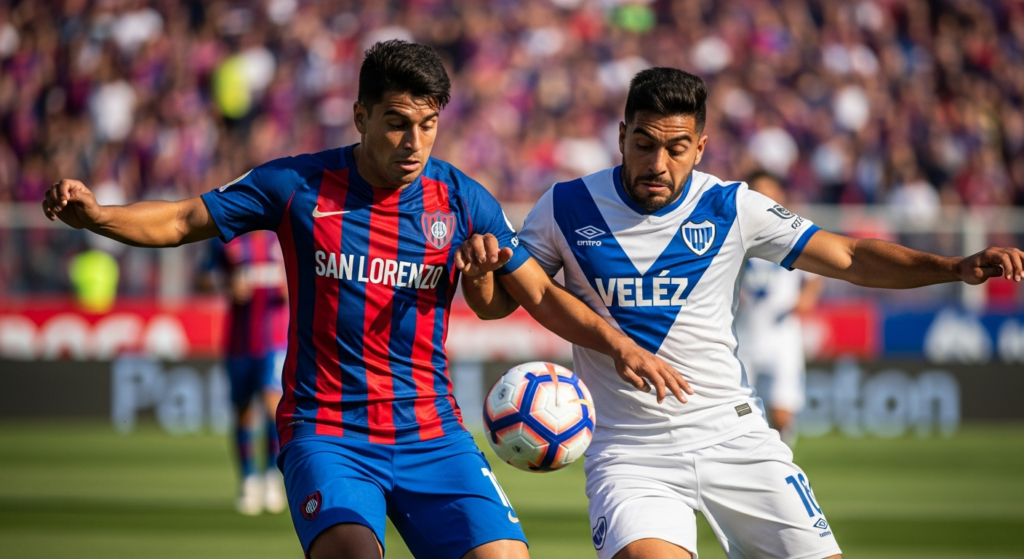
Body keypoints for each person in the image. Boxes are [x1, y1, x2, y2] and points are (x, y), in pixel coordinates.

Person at [42, 40, 689, 559]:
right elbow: (185, 219)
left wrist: (620, 346)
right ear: (361, 117)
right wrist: (99, 217)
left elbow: (538, 294)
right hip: (328, 432)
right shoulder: (297, 184)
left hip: (432, 431)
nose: (414, 143)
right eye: (397, 124)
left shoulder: (461, 198)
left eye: (428, 125)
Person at [457, 67, 1023, 559]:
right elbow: (500, 304)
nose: (658, 163)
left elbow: (849, 256)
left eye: (677, 148)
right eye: (644, 143)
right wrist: (481, 274)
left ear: (700, 147)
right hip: (630, 451)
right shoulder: (564, 205)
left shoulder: (731, 206)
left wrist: (953, 267)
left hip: (733, 436)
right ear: (622, 135)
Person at [200, 231, 289, 515]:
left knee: (273, 405)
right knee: (243, 412)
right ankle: (249, 479)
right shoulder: (227, 238)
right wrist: (226, 284)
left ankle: (271, 476)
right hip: (239, 342)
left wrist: (293, 286)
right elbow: (202, 278)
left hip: (275, 340)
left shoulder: (282, 234)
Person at [735, 170, 823, 448]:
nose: (764, 197)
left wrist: (806, 297)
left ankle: (781, 456)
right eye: (758, 191)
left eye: (769, 191)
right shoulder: (734, 233)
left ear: (780, 195)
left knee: (782, 413)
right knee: (738, 412)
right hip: (743, 335)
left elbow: (815, 275)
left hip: (782, 335)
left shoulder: (793, 231)